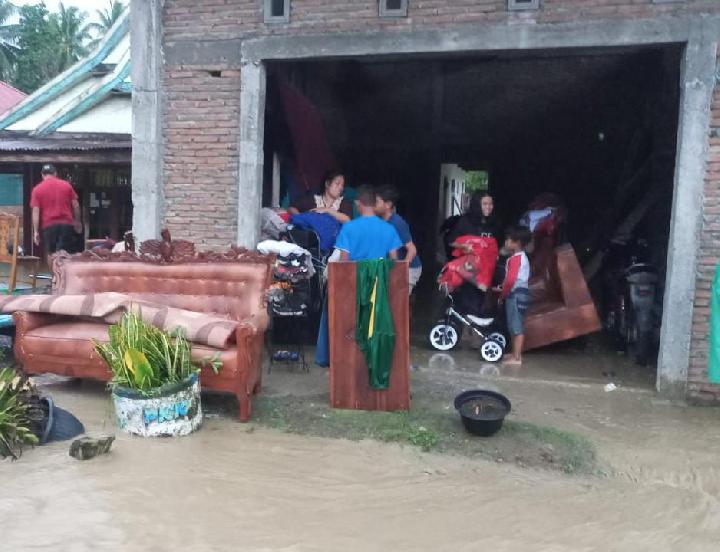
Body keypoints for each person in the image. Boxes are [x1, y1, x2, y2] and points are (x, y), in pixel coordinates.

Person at [495, 225, 532, 366]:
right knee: (513, 325)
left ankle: (517, 358)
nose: (506, 242)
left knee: (516, 327)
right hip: (516, 293)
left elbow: (510, 280)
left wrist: (502, 295)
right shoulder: (517, 257)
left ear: (517, 243)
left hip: (516, 295)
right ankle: (514, 353)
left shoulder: (516, 259)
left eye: (508, 240)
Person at [374, 185, 422, 293]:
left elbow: (412, 250)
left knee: (398, 303)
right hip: (391, 267)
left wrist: (400, 271)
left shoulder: (397, 223)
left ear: (388, 205)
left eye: (377, 201)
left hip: (410, 268)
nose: (373, 204)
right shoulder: (379, 221)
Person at [334, 185, 402, 261]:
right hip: (380, 272)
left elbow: (343, 261)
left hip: (355, 272)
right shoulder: (389, 228)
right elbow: (394, 259)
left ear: (358, 203)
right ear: (374, 203)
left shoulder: (349, 227)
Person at [30, 164, 82, 263]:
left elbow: (36, 211)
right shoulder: (66, 185)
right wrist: (77, 222)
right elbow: (76, 205)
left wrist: (35, 231)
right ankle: (64, 276)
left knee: (51, 253)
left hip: (49, 226)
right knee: (66, 253)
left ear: (42, 175)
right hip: (66, 225)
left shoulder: (37, 189)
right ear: (55, 173)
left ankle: (54, 276)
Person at [288, 170, 353, 224]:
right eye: (337, 183)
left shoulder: (344, 203)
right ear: (327, 184)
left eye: (342, 185)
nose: (341, 188)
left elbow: (347, 220)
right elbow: (291, 208)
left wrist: (327, 210)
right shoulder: (313, 199)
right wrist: (301, 219)